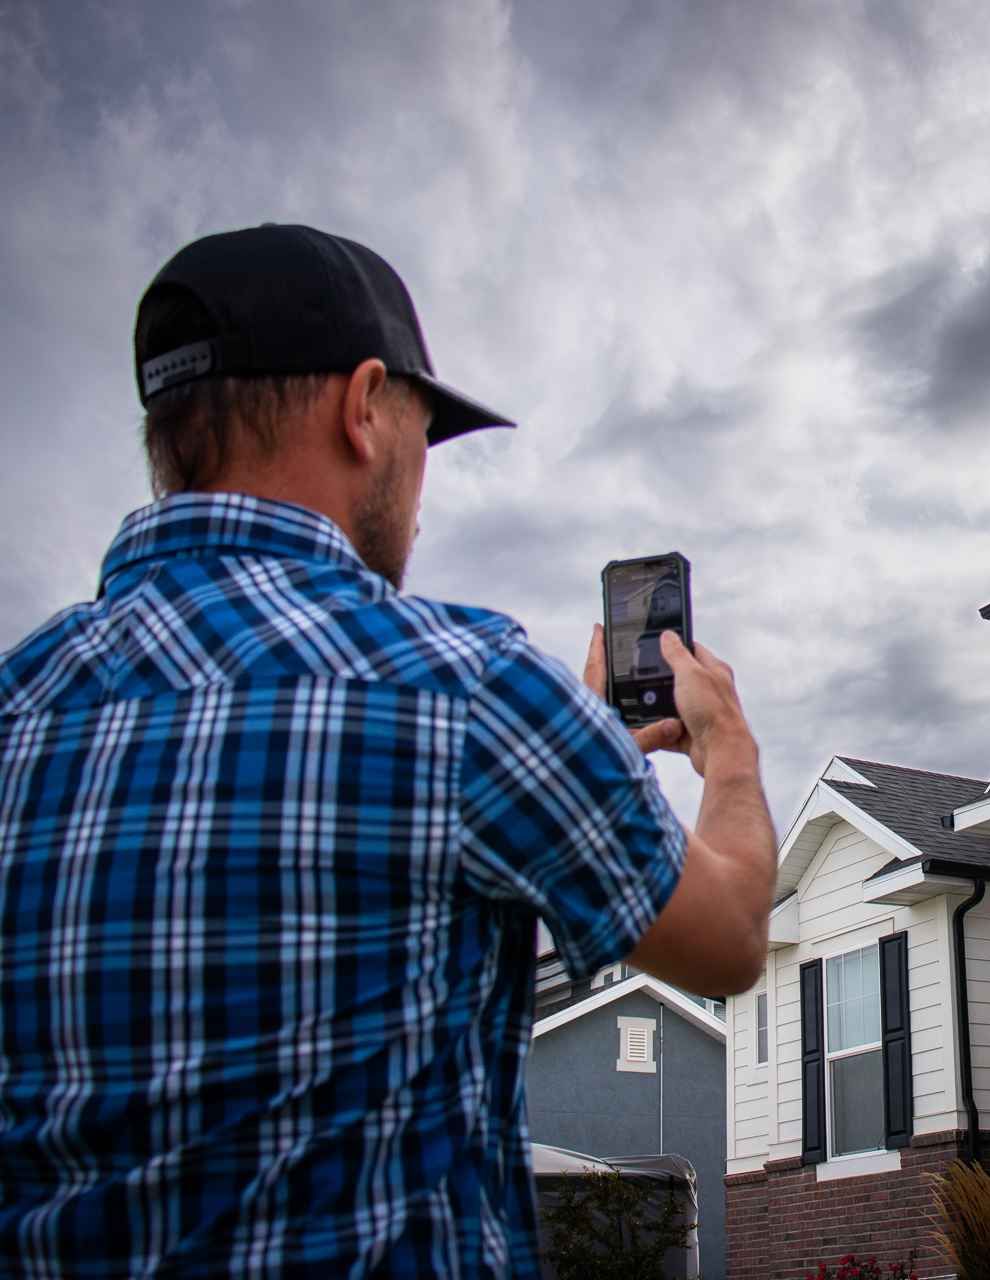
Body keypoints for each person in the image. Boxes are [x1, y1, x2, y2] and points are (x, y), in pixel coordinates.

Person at [0, 225, 777, 1276]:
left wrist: (585, 753)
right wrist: (728, 752)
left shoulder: (20, 700)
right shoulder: (466, 686)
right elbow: (728, 933)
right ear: (363, 407)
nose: (422, 481)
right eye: (425, 429)